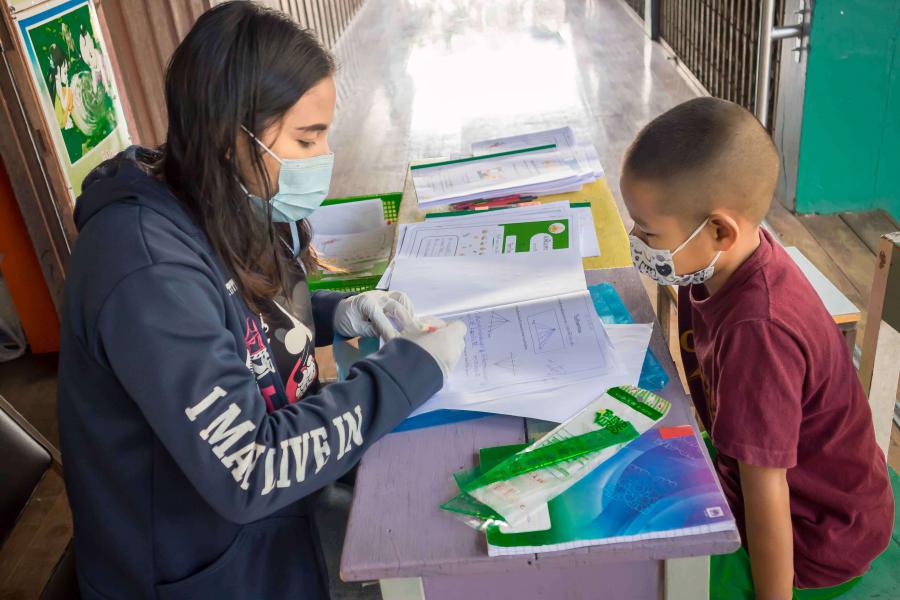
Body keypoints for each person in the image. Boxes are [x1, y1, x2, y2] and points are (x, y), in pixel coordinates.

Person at [57, 3, 466, 598]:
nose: (323, 156)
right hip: (199, 567)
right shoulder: (145, 273)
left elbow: (240, 317)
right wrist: (404, 373)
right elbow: (250, 467)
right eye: (307, 138)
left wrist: (335, 313)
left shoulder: (218, 193)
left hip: (264, 528)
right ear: (232, 136)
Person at [620, 97, 893, 599]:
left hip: (809, 542)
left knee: (642, 578)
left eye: (649, 231)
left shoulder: (759, 333)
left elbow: (767, 492)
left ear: (719, 230)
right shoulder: (714, 263)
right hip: (755, 481)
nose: (636, 239)